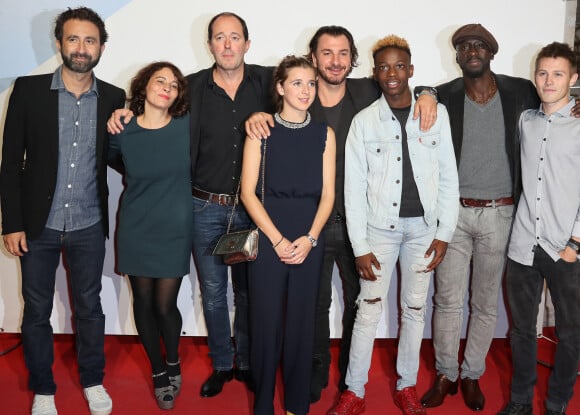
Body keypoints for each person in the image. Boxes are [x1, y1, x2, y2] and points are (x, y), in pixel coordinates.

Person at [245, 26, 438, 403]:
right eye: (327, 53)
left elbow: (405, 83)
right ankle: (311, 379)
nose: (335, 60)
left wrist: (428, 93)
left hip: (359, 223)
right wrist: (256, 114)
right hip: (308, 222)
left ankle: (351, 383)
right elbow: (265, 105)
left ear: (353, 59)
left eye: (343, 53)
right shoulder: (301, 97)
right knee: (313, 307)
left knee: (359, 304)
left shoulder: (368, 91)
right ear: (313, 58)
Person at [107, 12, 273, 397]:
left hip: (252, 209)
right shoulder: (193, 88)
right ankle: (220, 364)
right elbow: (144, 134)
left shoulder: (267, 82)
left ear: (247, 44)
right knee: (213, 292)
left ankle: (246, 363)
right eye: (219, 37)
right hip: (203, 208)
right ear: (210, 44)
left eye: (235, 37)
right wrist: (124, 113)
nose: (227, 44)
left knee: (248, 293)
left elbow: (307, 86)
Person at [0, 7, 125, 415]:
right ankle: (43, 387)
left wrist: (140, 131)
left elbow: (122, 159)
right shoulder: (29, 90)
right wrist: (12, 222)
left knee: (89, 306)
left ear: (101, 47)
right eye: (73, 39)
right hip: (39, 225)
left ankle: (92, 380)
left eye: (90, 40)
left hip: (89, 222)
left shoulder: (113, 97)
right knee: (36, 309)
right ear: (59, 44)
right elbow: (9, 162)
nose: (82, 48)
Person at [328, 35, 459, 415]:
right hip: (379, 232)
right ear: (375, 73)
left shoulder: (436, 114)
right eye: (384, 66)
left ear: (412, 70)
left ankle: (407, 386)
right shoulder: (364, 121)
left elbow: (449, 176)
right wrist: (360, 246)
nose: (392, 73)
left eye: (399, 65)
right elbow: (351, 188)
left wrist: (444, 233)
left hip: (424, 230)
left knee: (414, 310)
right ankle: (354, 390)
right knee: (367, 308)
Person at [420, 24, 541, 412]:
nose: (471, 51)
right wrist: (424, 91)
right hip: (454, 214)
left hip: (501, 215)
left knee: (486, 303)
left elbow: (554, 99)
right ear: (457, 56)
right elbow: (424, 92)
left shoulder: (520, 91)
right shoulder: (445, 96)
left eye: (479, 46)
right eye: (464, 47)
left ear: (491, 53)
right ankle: (446, 374)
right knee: (448, 300)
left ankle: (471, 374)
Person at [240, 55, 336, 415]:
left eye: (311, 83)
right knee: (264, 324)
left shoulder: (324, 133)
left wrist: (310, 238)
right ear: (280, 87)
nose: (305, 90)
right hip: (268, 235)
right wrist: (278, 240)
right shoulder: (261, 131)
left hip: (309, 237)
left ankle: (297, 404)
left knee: (301, 323)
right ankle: (263, 405)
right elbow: (247, 193)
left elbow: (328, 195)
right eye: (296, 83)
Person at [497, 42, 580, 415]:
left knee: (570, 332)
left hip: (566, 247)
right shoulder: (524, 120)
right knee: (521, 330)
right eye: (543, 73)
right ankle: (519, 402)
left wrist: (576, 242)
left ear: (573, 79)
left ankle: (557, 403)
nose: (549, 81)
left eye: (558, 74)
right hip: (523, 245)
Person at [108, 62, 191, 410]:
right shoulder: (122, 129)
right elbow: (115, 160)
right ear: (143, 87)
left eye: (174, 85)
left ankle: (172, 359)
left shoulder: (188, 126)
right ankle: (158, 372)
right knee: (141, 303)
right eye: (161, 81)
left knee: (164, 304)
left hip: (175, 227)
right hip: (136, 227)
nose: (167, 88)